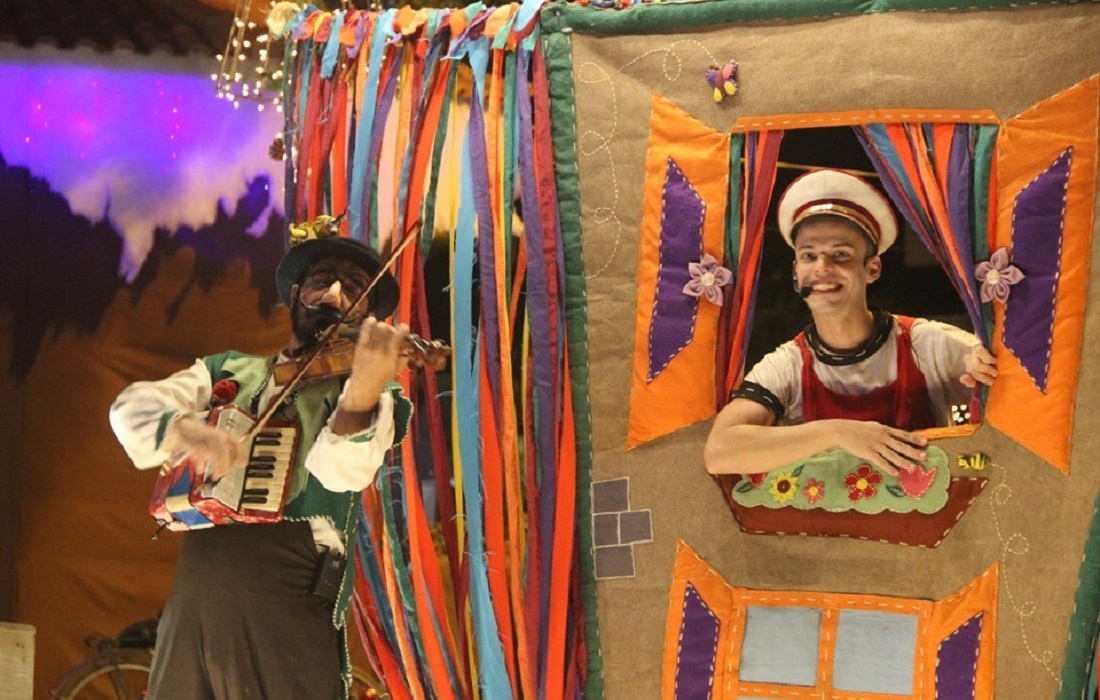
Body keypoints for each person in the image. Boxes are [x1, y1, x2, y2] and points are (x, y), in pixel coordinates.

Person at [109, 234, 413, 699]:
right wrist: (187, 430)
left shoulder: (371, 395)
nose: (335, 294)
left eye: (353, 288)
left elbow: (341, 472)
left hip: (285, 590)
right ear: (295, 294)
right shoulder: (229, 369)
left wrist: (364, 387)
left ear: (367, 320)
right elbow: (128, 410)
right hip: (196, 587)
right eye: (323, 280)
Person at [704, 169, 997, 478]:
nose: (822, 268)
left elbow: (1004, 382)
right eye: (808, 256)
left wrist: (983, 364)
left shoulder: (927, 344)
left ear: (872, 269)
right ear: (796, 272)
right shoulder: (785, 366)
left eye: (840, 254)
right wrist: (839, 433)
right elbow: (719, 452)